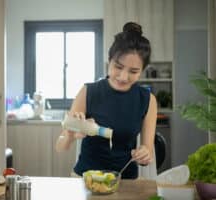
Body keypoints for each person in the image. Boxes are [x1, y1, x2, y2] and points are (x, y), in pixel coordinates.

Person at [55, 22, 157, 179]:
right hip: (85, 180)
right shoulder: (89, 92)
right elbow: (60, 147)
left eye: (133, 71)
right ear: (109, 60)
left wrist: (144, 154)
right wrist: (69, 134)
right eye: (118, 67)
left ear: (142, 71)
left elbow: (147, 152)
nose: (123, 77)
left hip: (125, 181)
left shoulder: (147, 100)